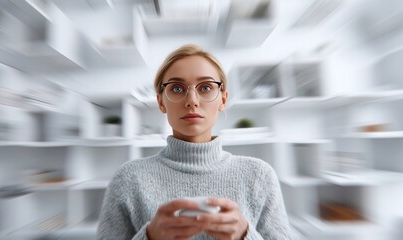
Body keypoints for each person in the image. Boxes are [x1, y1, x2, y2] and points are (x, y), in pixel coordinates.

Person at [97, 44, 294, 240]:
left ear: (223, 100)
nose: (192, 100)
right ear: (161, 102)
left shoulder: (260, 176)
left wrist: (246, 235)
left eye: (206, 87)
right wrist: (149, 237)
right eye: (176, 88)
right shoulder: (128, 179)